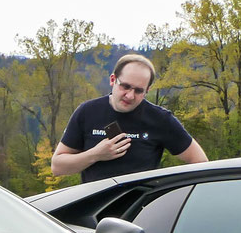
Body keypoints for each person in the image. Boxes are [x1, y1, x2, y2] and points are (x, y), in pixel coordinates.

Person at [51, 53, 207, 184]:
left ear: (147, 90)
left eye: (139, 91)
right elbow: (58, 167)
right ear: (113, 80)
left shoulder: (161, 119)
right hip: (94, 209)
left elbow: (201, 162)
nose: (130, 95)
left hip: (139, 212)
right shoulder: (88, 112)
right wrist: (96, 154)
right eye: (125, 86)